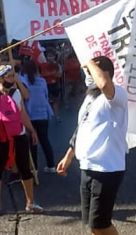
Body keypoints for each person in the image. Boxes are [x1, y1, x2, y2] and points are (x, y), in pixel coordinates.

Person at [56, 57, 128, 235]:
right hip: (87, 166)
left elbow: (104, 84)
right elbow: (82, 128)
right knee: (92, 224)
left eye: (90, 72)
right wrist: (69, 155)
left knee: (100, 224)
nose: (87, 76)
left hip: (107, 168)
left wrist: (90, 62)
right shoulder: (89, 98)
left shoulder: (116, 96)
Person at [0, 65, 43, 214]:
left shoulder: (16, 92)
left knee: (25, 168)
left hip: (19, 134)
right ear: (0, 78)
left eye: (13, 75)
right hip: (1, 136)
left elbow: (23, 113)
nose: (13, 78)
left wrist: (31, 131)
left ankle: (30, 203)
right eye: (10, 76)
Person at [21, 60, 56, 173]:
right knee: (44, 140)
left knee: (32, 142)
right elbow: (46, 95)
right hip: (43, 113)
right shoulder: (42, 81)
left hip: (30, 114)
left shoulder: (22, 81)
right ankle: (51, 165)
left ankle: (34, 168)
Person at [38, 52, 63, 121]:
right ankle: (46, 116)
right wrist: (52, 74)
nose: (50, 57)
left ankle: (56, 116)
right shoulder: (42, 65)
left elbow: (59, 75)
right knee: (46, 101)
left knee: (55, 101)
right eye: (48, 55)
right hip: (45, 86)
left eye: (51, 55)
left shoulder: (57, 65)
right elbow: (42, 75)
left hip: (55, 86)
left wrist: (49, 74)